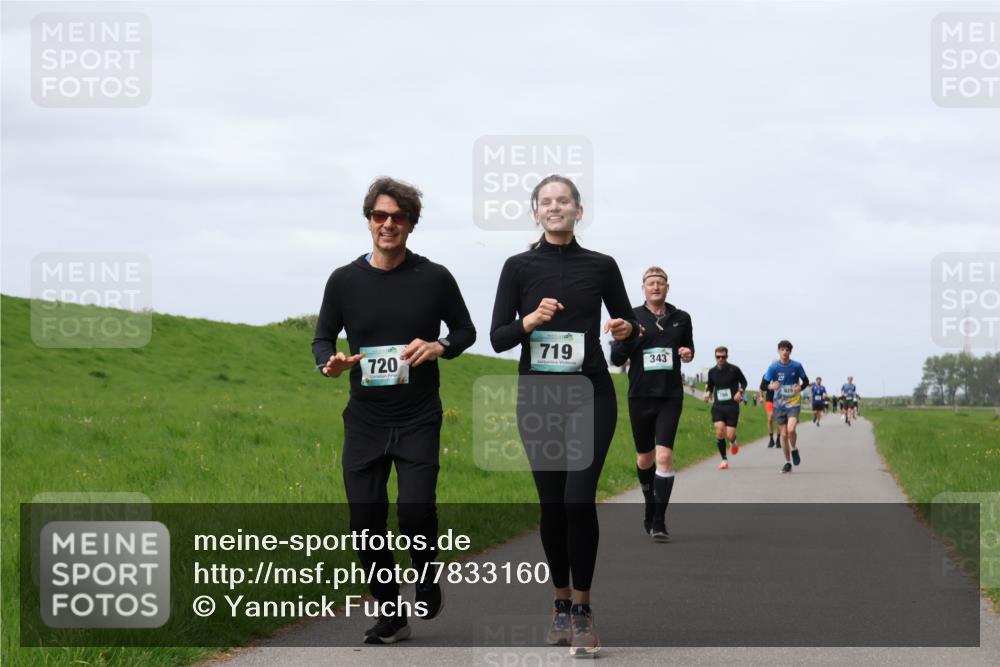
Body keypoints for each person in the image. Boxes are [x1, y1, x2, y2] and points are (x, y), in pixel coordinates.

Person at [312, 177, 476, 644]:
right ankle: (391, 613)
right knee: (365, 523)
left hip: (418, 417)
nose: (388, 224)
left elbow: (465, 330)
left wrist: (440, 346)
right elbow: (323, 337)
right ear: (368, 221)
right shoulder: (343, 280)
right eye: (380, 215)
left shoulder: (435, 277)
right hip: (365, 420)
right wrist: (329, 363)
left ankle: (426, 573)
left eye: (398, 217)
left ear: (411, 224)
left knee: (415, 511)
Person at [490, 175, 638, 657]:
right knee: (552, 505)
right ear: (535, 212)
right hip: (539, 398)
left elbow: (629, 330)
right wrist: (529, 321)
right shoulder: (517, 267)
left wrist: (624, 331)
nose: (555, 208)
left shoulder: (601, 265)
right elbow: (498, 337)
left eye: (564, 201)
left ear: (578, 210)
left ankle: (583, 610)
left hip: (590, 394)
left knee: (578, 499)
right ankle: (559, 601)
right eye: (546, 202)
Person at [610, 266, 694, 543]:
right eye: (651, 283)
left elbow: (688, 348)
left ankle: (659, 519)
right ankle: (649, 502)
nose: (656, 287)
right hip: (640, 396)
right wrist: (631, 337)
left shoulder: (681, 318)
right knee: (644, 459)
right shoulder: (631, 317)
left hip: (670, 396)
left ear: (667, 288)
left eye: (660, 283)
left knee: (664, 457)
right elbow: (616, 359)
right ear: (643, 288)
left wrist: (687, 353)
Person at [763, 341, 809, 474]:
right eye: (782, 349)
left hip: (794, 402)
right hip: (779, 404)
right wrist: (771, 386)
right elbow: (763, 385)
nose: (785, 352)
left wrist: (800, 387)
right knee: (783, 435)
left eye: (787, 350)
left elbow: (806, 381)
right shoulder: (773, 368)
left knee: (791, 429)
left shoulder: (797, 366)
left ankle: (794, 448)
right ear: (778, 351)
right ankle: (787, 462)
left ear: (790, 352)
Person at [704, 347, 748, 470]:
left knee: (730, 435)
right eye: (718, 357)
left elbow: (744, 382)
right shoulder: (712, 372)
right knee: (719, 431)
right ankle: (724, 459)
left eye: (723, 356)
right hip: (718, 406)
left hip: (732, 406)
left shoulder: (734, 369)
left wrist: (740, 392)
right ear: (715, 357)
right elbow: (710, 386)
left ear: (727, 357)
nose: (720, 359)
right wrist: (708, 394)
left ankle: (733, 441)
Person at [758, 362, 780, 449]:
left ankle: (778, 439)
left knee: (779, 420)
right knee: (770, 418)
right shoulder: (767, 375)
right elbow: (761, 387)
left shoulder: (782, 375)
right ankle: (771, 439)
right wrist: (761, 397)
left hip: (780, 400)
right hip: (769, 400)